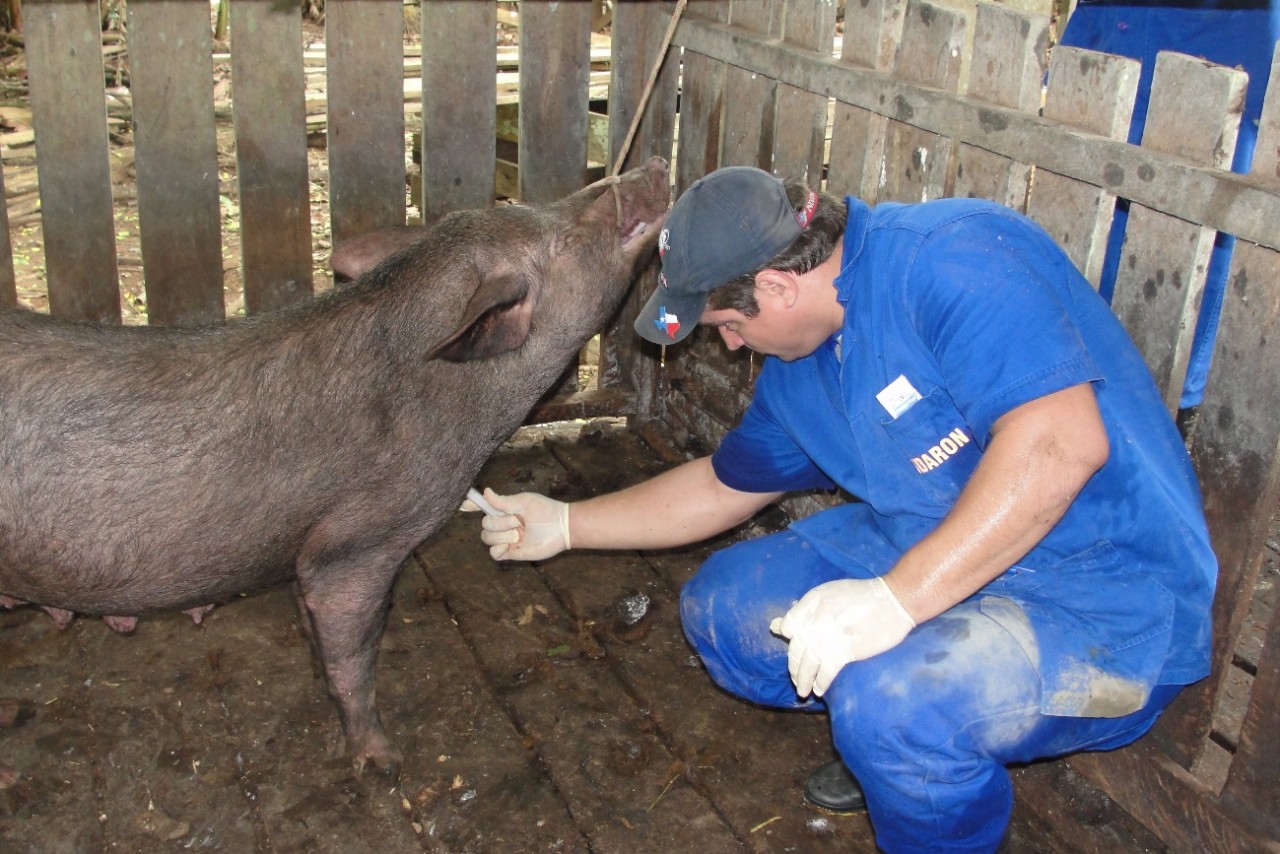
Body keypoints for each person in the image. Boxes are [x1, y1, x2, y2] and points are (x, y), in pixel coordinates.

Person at [468, 167, 1217, 853]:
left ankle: (907, 751)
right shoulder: (801, 372)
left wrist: (897, 599)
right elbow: (723, 488)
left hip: (1102, 587)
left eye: (730, 325)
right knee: (728, 609)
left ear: (778, 288)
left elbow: (1060, 444)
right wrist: (564, 524)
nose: (729, 346)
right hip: (923, 539)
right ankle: (891, 754)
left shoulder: (949, 258)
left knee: (893, 703)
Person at [1057, 0, 1279, 423]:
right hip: (1121, 37)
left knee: (1202, 257)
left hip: (1222, 46)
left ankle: (1173, 416)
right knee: (1089, 244)